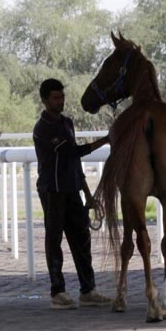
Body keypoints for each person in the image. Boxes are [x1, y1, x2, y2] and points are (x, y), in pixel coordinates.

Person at [33, 78, 112, 309]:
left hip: (71, 188)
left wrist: (87, 194)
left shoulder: (67, 122)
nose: (60, 101)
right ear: (45, 100)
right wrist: (105, 140)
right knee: (54, 240)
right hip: (52, 190)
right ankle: (58, 291)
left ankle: (88, 290)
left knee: (82, 239)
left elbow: (74, 163)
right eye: (56, 98)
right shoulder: (43, 128)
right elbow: (72, 152)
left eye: (62, 97)